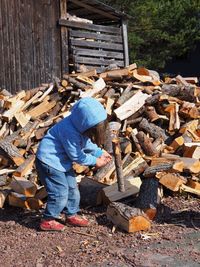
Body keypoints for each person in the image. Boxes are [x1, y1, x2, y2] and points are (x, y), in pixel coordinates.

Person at [35, 97, 112, 231]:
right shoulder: (69, 131)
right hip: (49, 162)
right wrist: (95, 161)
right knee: (60, 192)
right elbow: (76, 155)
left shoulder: (80, 127)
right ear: (85, 124)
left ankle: (71, 215)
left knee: (72, 189)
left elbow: (86, 142)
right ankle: (47, 219)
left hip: (61, 162)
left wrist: (98, 152)